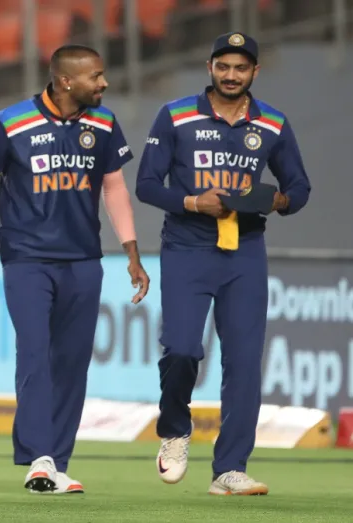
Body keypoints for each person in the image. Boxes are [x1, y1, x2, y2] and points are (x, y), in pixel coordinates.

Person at [0, 45, 148, 494]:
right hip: (27, 260)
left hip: (85, 260)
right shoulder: (10, 122)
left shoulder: (104, 123)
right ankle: (40, 457)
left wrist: (132, 252)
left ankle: (58, 462)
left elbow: (115, 190)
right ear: (66, 81)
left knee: (72, 363)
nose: (104, 83)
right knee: (34, 353)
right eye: (96, 76)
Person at [135, 32, 311, 495]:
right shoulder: (175, 115)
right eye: (223, 66)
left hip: (245, 252)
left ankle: (230, 468)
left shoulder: (272, 122)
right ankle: (175, 430)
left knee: (245, 362)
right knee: (181, 349)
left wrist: (277, 200)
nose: (231, 75)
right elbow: (147, 184)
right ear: (210, 67)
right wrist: (194, 202)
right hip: (187, 247)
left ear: (255, 71)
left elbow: (300, 188)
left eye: (241, 67)